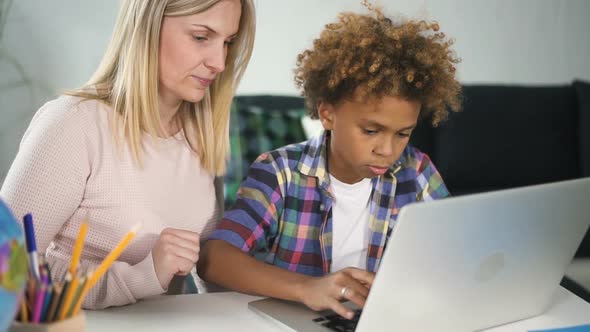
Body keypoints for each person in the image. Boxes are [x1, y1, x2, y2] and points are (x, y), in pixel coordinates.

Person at [198, 1, 462, 320]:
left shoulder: (416, 172)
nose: (387, 149)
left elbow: (456, 252)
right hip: (295, 319)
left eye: (403, 133)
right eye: (371, 130)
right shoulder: (280, 173)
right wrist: (308, 287)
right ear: (327, 114)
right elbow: (214, 258)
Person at [0, 0, 255, 309]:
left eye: (227, 42)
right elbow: (6, 272)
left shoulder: (202, 132)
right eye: (201, 37)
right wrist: (141, 276)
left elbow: (204, 270)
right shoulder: (73, 123)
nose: (219, 62)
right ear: (147, 27)